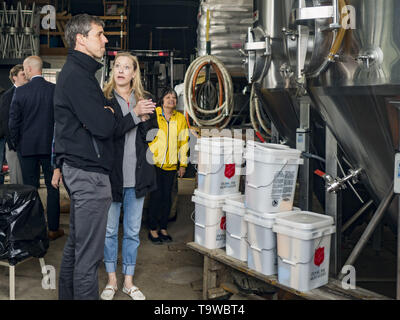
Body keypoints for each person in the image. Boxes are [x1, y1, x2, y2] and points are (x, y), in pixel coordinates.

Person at [54, 14, 115, 300]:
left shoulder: (79, 74)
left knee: (77, 247)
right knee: (88, 258)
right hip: (88, 175)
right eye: (100, 34)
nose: (105, 40)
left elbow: (98, 121)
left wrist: (106, 113)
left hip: (82, 171)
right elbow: (103, 126)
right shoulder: (78, 77)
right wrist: (109, 113)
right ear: (81, 39)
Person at [100, 52, 156, 300]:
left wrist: (145, 120)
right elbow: (109, 133)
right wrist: (135, 115)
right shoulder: (104, 99)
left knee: (132, 232)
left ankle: (128, 281)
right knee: (110, 230)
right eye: (117, 66)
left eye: (126, 67)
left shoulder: (144, 99)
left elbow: (152, 136)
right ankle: (112, 279)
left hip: (137, 176)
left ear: (134, 73)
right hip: (113, 177)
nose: (121, 71)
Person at [8, 56, 63, 241]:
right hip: (50, 148)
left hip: (27, 148)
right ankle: (53, 229)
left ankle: (35, 228)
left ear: (29, 70)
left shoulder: (21, 92)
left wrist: (16, 144)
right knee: (52, 187)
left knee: (30, 189)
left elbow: (13, 122)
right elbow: (61, 121)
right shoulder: (54, 90)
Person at [147, 88, 189, 243]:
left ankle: (163, 228)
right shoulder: (155, 114)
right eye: (168, 97)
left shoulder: (180, 119)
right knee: (155, 197)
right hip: (155, 164)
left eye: (174, 97)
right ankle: (152, 229)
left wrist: (182, 164)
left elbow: (184, 143)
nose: (171, 99)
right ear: (162, 100)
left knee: (167, 198)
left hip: (171, 165)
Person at [0, 64, 27, 185]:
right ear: (14, 77)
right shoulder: (8, 95)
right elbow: (6, 121)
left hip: (27, 144)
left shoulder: (29, 92)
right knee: (17, 180)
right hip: (14, 144)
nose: (26, 76)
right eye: (22, 74)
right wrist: (12, 144)